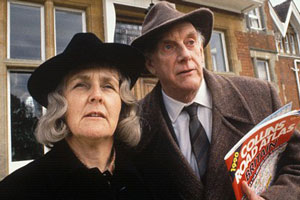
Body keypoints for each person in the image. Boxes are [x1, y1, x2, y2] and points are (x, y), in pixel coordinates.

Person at [131, 1, 300, 200]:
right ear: (151, 64)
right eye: (169, 46)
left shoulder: (261, 95)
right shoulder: (133, 123)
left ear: (201, 50)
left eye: (191, 42)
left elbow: (296, 165)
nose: (185, 55)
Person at [0, 32, 153, 200]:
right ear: (60, 105)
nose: (96, 95)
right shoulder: (17, 190)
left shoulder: (150, 179)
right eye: (81, 85)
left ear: (122, 103)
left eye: (108, 86)